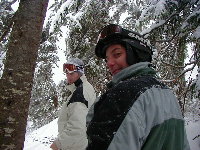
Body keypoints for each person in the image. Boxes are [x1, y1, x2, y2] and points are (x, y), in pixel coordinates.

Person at [86, 24, 190, 150]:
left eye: (117, 54)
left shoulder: (123, 95)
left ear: (135, 53)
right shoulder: (167, 93)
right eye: (107, 59)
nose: (109, 63)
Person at [50, 58, 96, 150]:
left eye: (71, 73)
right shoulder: (84, 88)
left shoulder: (80, 92)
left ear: (80, 73)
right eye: (67, 74)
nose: (68, 77)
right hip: (81, 143)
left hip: (77, 146)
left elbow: (77, 127)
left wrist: (59, 144)